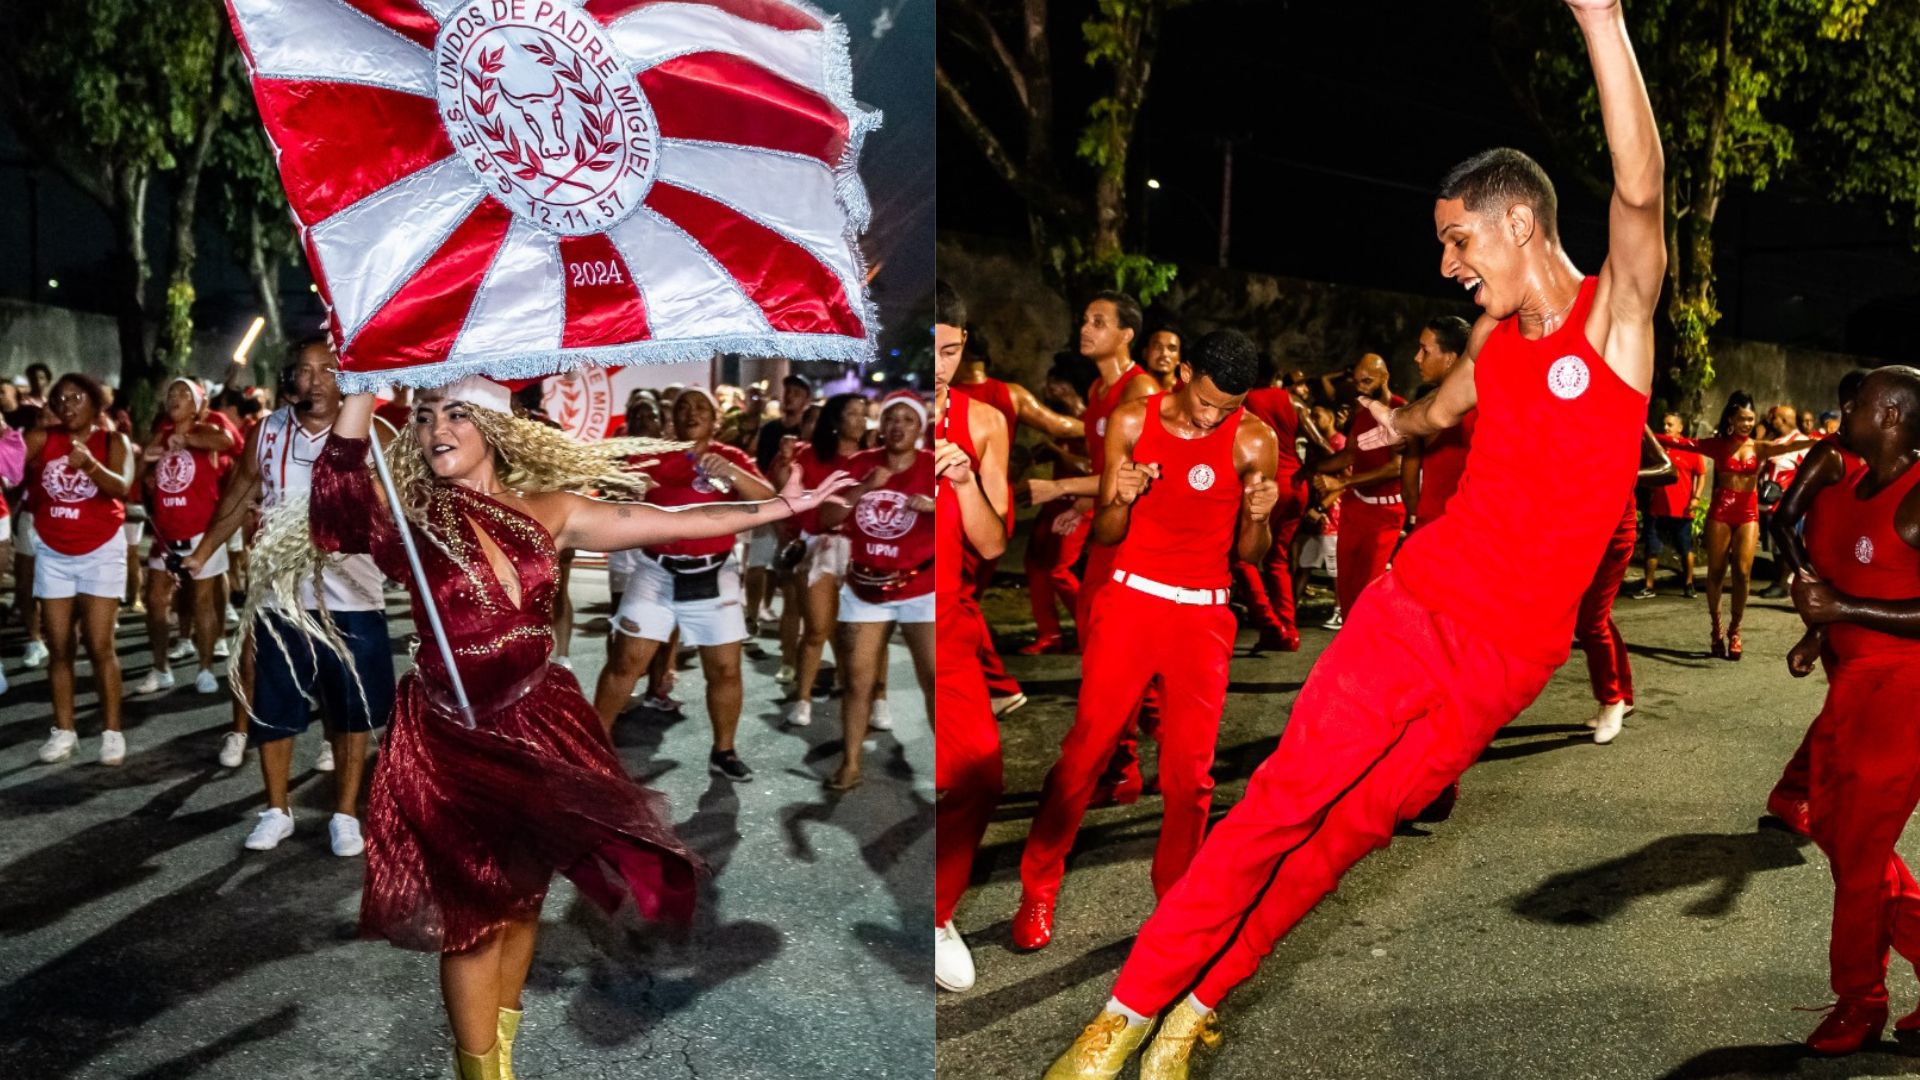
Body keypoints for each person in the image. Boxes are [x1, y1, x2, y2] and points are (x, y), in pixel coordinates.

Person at [1043, 4, 1665, 1073]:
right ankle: (1127, 1012)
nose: (1450, 265)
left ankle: (1201, 1005)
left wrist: (1600, 18)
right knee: (1283, 804)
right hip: (1417, 609)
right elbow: (1430, 419)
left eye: (1459, 239)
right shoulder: (1488, 339)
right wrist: (1357, 451)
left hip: (1510, 659)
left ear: (1519, 222)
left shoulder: (1614, 322)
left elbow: (1639, 187)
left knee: (1357, 831)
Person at [299, 376, 851, 1079]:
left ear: (497, 430)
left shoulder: (550, 510)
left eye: (458, 414)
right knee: (471, 918)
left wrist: (782, 505)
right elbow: (336, 510)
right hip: (449, 733)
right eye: (428, 415)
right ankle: (483, 1076)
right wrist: (357, 392)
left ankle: (502, 1053)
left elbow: (674, 521)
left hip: (535, 719)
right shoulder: (415, 512)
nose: (436, 426)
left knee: (523, 898)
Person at [1014, 330, 1280, 952]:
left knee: (1189, 778)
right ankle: (1038, 888)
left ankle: (1175, 903)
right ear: (1185, 371)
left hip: (1204, 617)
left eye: (1229, 406)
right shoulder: (1133, 419)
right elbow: (1107, 532)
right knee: (1085, 755)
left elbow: (1250, 555)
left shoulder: (1254, 438)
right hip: (1131, 602)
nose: (1215, 416)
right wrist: (1122, 497)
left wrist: (1261, 517)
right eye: (1208, 401)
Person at [1765, 366, 1920, 1053]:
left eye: (1856, 401)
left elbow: (1860, 593)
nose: (1844, 407)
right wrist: (1818, 631)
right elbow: (1849, 575)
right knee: (1830, 823)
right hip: (1852, 682)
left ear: (1890, 414)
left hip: (1907, 690)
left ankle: (1860, 1000)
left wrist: (1846, 610)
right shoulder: (1850, 482)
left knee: (1858, 852)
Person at [187, 341, 396, 845]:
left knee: (351, 709)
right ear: (291, 379)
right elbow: (238, 498)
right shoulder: (269, 432)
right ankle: (276, 810)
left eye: (328, 370)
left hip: (352, 596)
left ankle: (344, 814)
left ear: (345, 378)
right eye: (304, 371)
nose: (316, 380)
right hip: (281, 596)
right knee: (274, 703)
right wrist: (203, 553)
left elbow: (394, 515)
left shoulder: (375, 432)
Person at [592, 388, 773, 780]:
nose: (691, 413)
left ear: (715, 420)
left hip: (715, 574)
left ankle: (723, 751)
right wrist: (626, 489)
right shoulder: (654, 455)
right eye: (683, 407)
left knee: (725, 670)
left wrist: (734, 474)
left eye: (700, 408)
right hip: (657, 570)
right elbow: (616, 496)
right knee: (626, 662)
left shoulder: (732, 458)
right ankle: (593, 744)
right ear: (672, 417)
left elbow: (769, 502)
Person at [932, 280, 1011, 993]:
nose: (940, 367)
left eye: (952, 351)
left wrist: (960, 484)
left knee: (979, 770)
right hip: (880, 616)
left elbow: (991, 546)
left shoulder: (983, 421)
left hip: (950, 626)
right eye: (928, 351)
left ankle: (937, 913)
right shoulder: (871, 414)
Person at [818, 392, 936, 790]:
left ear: (920, 428)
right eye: (890, 419)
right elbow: (826, 516)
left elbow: (967, 523)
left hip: (921, 585)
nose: (898, 426)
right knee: (856, 680)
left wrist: (939, 507)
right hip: (864, 586)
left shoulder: (934, 468)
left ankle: (946, 768)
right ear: (879, 425)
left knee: (934, 678)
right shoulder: (858, 466)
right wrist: (864, 488)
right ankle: (851, 763)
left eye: (907, 419)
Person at [28, 374, 134, 765]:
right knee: (58, 646)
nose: (68, 405)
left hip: (101, 550)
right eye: (60, 399)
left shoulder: (112, 441)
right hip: (53, 552)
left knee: (99, 644)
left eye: (76, 397)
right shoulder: (42, 439)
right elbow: (9, 465)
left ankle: (111, 731)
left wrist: (89, 465)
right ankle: (65, 731)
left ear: (95, 402)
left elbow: (122, 487)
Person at [1654, 391, 1804, 659]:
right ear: (1731, 419)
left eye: (1751, 419)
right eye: (1742, 419)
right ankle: (1716, 628)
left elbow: (1794, 446)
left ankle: (1736, 629)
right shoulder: (1717, 445)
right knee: (1716, 571)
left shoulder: (1760, 447)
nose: (1747, 423)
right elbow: (1683, 443)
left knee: (1743, 573)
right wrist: (1644, 432)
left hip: (1748, 513)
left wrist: (1831, 439)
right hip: (1721, 512)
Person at [134, 377, 241, 696]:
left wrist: (190, 441)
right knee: (155, 603)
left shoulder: (208, 430)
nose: (175, 397)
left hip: (202, 535)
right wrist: (146, 464)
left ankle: (205, 668)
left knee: (202, 602)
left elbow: (227, 443)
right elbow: (136, 477)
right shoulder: (160, 435)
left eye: (183, 393)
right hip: (165, 538)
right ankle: (160, 668)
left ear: (197, 404)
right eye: (171, 393)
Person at [1579, 428, 1673, 745]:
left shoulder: (1627, 410)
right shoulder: (1569, 402)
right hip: (1580, 527)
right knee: (1597, 616)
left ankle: (1611, 699)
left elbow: (1666, 469)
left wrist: (1619, 472)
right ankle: (1624, 695)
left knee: (1590, 620)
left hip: (1614, 532)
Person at [1308, 354, 1404, 627]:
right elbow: (1350, 455)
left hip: (1385, 512)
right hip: (1355, 507)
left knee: (1368, 589)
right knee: (1347, 587)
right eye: (1357, 380)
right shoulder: (1362, 411)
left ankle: (1368, 653)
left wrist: (1341, 483)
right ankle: (1351, 650)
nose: (1360, 386)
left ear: (1385, 377)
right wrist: (1314, 469)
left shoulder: (1399, 411)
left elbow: (1395, 468)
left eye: (1367, 380)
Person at [1022, 354, 1099, 654]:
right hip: (1055, 501)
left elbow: (1091, 467)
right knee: (1035, 566)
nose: (1048, 388)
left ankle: (1092, 629)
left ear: (1069, 387)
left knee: (1059, 569)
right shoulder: (1059, 423)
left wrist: (1056, 452)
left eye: (1054, 383)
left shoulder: (1088, 421)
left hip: (1080, 502)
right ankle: (1049, 634)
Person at [1234, 369, 1312, 652]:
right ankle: (1289, 629)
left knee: (1242, 558)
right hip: (1297, 485)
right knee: (1278, 559)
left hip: (1265, 484)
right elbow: (1322, 443)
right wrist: (1311, 471)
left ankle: (1271, 626)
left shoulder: (1245, 399)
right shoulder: (1293, 401)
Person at [1398, 318, 1476, 533]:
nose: (1417, 358)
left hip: (1435, 527)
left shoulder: (1429, 414)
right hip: (1474, 530)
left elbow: (1408, 486)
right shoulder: (1487, 400)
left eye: (1425, 350)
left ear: (1450, 359)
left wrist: (1416, 518)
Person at [1634, 411, 1706, 597]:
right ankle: (1649, 586)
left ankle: (1689, 584)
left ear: (1680, 428)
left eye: (1670, 424)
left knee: (1685, 548)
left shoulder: (1690, 448)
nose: (1665, 428)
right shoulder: (1656, 446)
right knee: (1652, 547)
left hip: (1681, 509)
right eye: (1664, 424)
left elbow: (1701, 474)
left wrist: (1696, 497)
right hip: (1657, 507)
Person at [1141, 325, 1183, 393]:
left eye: (1172, 349)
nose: (1164, 353)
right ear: (1145, 353)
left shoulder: (1186, 391)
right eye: (1157, 347)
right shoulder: (1130, 385)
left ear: (1179, 358)